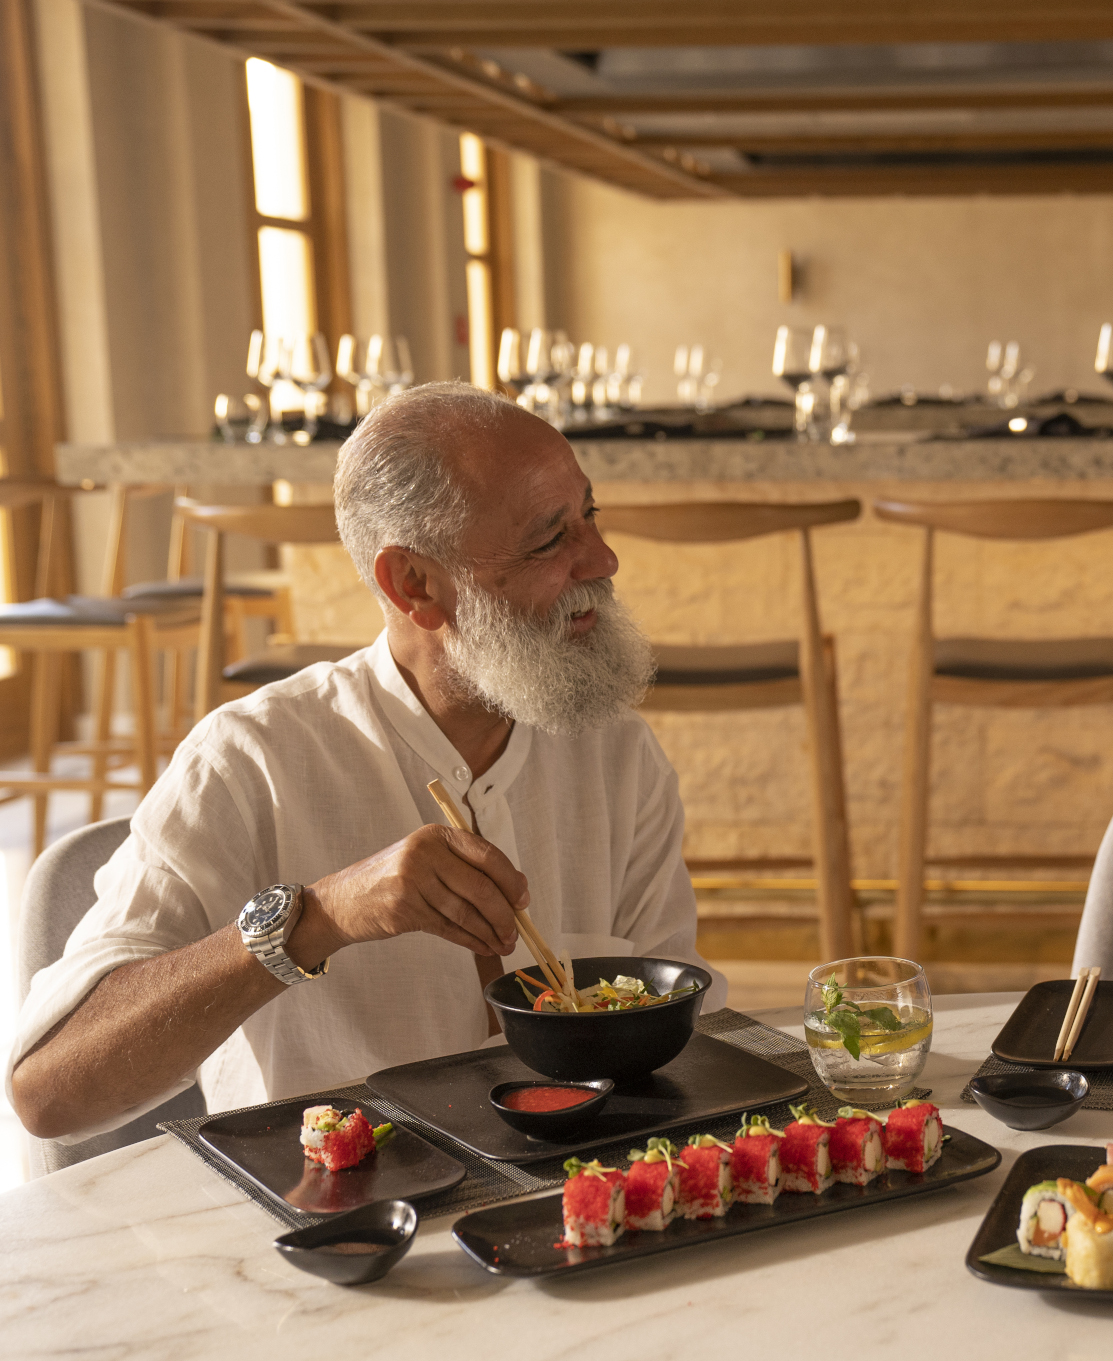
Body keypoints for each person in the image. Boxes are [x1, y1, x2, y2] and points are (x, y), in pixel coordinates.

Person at [9, 383, 724, 1140]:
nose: (603, 558)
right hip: (332, 1229)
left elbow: (694, 1041)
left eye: (590, 515)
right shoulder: (249, 760)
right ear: (413, 583)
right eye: (550, 540)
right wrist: (318, 919)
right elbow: (48, 1094)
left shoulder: (613, 751)